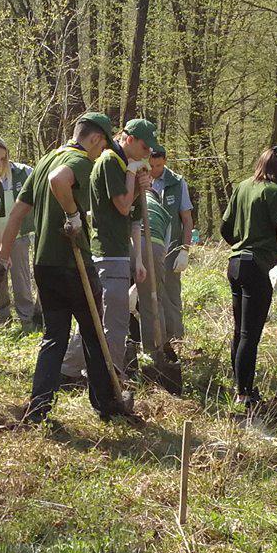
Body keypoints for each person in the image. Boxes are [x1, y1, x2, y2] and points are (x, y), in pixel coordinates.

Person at [0, 113, 127, 424]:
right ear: (95, 139)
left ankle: (38, 408)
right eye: (102, 146)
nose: (100, 153)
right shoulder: (80, 161)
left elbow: (16, 213)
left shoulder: (44, 160)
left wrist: (3, 256)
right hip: (72, 264)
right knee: (94, 334)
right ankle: (107, 406)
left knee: (54, 336)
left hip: (44, 264)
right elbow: (59, 181)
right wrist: (73, 214)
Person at [64, 116, 154, 385]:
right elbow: (123, 207)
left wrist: (139, 187)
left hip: (117, 252)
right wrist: (132, 177)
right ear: (129, 139)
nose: (148, 153)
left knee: (99, 317)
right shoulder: (111, 162)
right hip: (108, 252)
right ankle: (112, 379)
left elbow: (131, 214)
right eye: (145, 147)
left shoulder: (122, 163)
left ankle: (68, 370)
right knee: (114, 321)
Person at [220, 145, 277, 408]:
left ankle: (240, 386)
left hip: (235, 263)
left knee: (239, 331)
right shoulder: (276, 194)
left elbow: (225, 227)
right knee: (249, 335)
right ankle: (244, 393)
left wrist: (241, 242)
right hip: (257, 265)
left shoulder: (242, 187)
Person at [0, 135, 37, 329]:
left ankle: (26, 318)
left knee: (21, 279)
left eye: (3, 158)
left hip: (17, 236)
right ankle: (2, 318)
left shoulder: (22, 172)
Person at [148, 145, 194, 349]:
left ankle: (176, 340)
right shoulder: (138, 177)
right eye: (151, 165)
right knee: (148, 294)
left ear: (165, 161)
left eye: (158, 165)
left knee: (171, 295)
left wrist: (185, 249)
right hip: (146, 245)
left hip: (171, 247)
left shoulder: (177, 182)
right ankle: (153, 340)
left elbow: (186, 219)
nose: (154, 169)